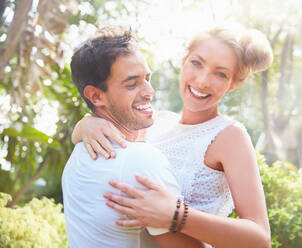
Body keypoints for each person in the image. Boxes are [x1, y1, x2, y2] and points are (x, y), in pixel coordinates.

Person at [72, 26, 273, 248]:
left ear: (232, 83)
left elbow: (259, 238)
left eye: (221, 73)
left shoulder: (230, 136)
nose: (203, 80)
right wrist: (85, 125)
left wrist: (177, 216)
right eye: (197, 63)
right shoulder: (152, 122)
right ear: (184, 60)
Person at [62, 28, 206, 248]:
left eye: (147, 78)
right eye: (132, 84)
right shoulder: (141, 161)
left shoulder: (77, 158)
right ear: (95, 96)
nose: (150, 91)